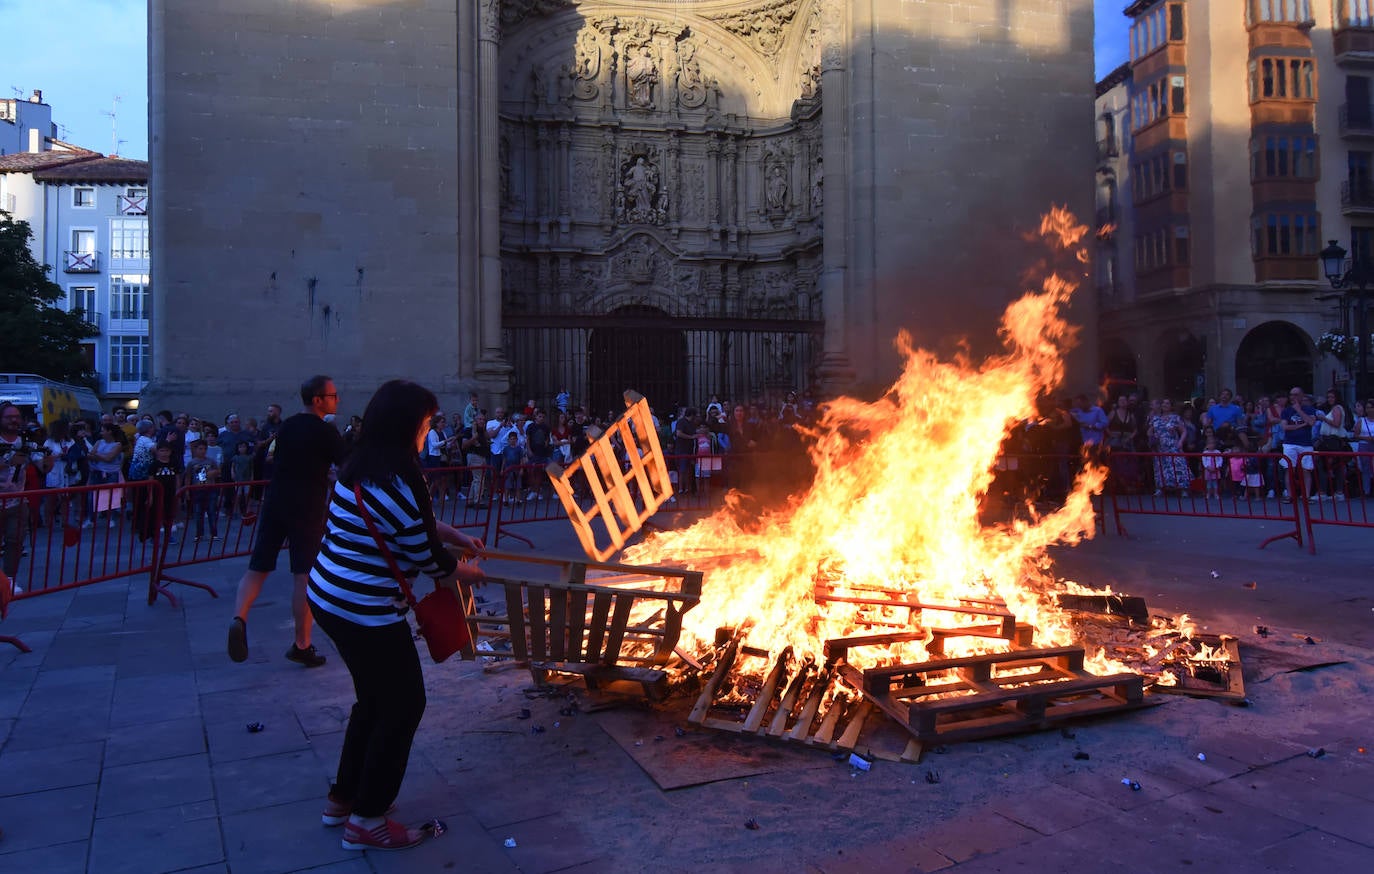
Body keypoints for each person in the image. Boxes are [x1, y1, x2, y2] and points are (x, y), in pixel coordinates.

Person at [307, 379, 485, 851]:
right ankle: (367, 820)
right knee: (404, 704)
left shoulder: (361, 464)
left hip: (329, 595)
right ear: (409, 425)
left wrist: (457, 536)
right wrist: (463, 570)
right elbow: (426, 554)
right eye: (427, 423)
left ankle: (344, 798)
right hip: (364, 609)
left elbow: (415, 527)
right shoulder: (401, 477)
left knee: (373, 700)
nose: (429, 431)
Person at [227, 375, 344, 667]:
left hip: (275, 501)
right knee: (303, 576)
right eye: (332, 396)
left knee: (258, 567)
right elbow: (347, 465)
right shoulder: (325, 431)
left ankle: (239, 617)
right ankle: (302, 645)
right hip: (306, 506)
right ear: (317, 400)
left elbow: (271, 459)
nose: (336, 400)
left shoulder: (287, 426)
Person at [1278, 387, 1318, 502]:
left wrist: (1299, 410)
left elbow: (1311, 422)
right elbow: (1285, 427)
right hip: (1290, 443)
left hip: (1305, 443)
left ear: (1301, 396)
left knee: (1306, 469)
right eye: (1291, 395)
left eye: (1296, 395)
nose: (1293, 397)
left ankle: (1306, 496)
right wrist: (1301, 425)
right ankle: (1290, 495)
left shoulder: (1309, 409)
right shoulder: (1286, 411)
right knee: (1290, 469)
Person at [1148, 398, 1190, 495]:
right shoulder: (1155, 418)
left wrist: (1180, 442)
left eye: (1167, 403)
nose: (1165, 405)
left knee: (1178, 466)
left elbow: (1183, 431)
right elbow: (1149, 431)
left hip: (1173, 446)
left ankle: (1183, 489)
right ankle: (1160, 488)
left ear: (1171, 406)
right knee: (1160, 468)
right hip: (1160, 447)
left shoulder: (1175, 418)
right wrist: (1152, 437)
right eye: (1163, 403)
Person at [184, 437, 221, 542]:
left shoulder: (211, 461)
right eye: (200, 449)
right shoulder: (191, 463)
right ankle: (199, 534)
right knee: (198, 513)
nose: (202, 451)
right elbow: (188, 477)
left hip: (210, 489)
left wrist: (214, 473)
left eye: (204, 449)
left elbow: (218, 471)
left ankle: (214, 534)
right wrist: (187, 490)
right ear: (196, 450)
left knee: (211, 512)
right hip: (197, 490)